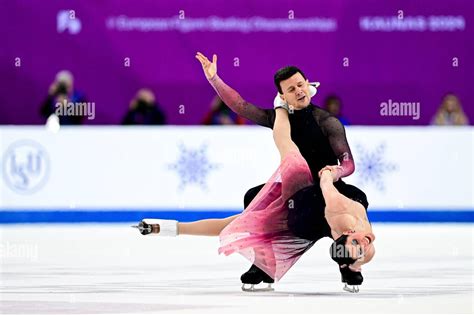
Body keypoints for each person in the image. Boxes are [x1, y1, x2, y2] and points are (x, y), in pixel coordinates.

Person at [133, 106, 375, 293]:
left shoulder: (360, 243)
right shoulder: (338, 209)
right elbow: (325, 183)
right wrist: (329, 174)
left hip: (315, 207)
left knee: (252, 219)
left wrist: (170, 228)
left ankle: (344, 267)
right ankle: (264, 263)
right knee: (278, 175)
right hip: (318, 197)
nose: (364, 242)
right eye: (360, 243)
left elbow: (227, 226)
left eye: (358, 248)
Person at [194, 52, 369, 290]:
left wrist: (334, 172)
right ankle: (263, 263)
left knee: (342, 210)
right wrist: (215, 79)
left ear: (308, 85)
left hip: (328, 186)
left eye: (300, 85)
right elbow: (240, 106)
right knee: (253, 197)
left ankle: (347, 264)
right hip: (297, 190)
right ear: (282, 96)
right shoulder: (277, 118)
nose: (298, 91)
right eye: (291, 89)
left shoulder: (327, 122)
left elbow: (349, 163)